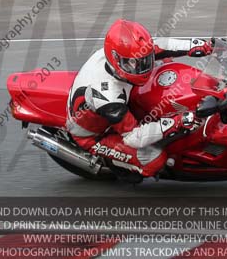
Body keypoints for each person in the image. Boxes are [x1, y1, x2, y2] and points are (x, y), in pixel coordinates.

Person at [66, 19, 212, 179]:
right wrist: (175, 122)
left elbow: (162, 45)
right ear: (116, 60)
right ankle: (124, 167)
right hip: (95, 134)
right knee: (155, 159)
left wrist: (199, 45)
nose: (142, 68)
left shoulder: (127, 53)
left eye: (145, 60)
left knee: (166, 65)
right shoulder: (108, 96)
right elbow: (133, 138)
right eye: (133, 64)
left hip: (115, 104)